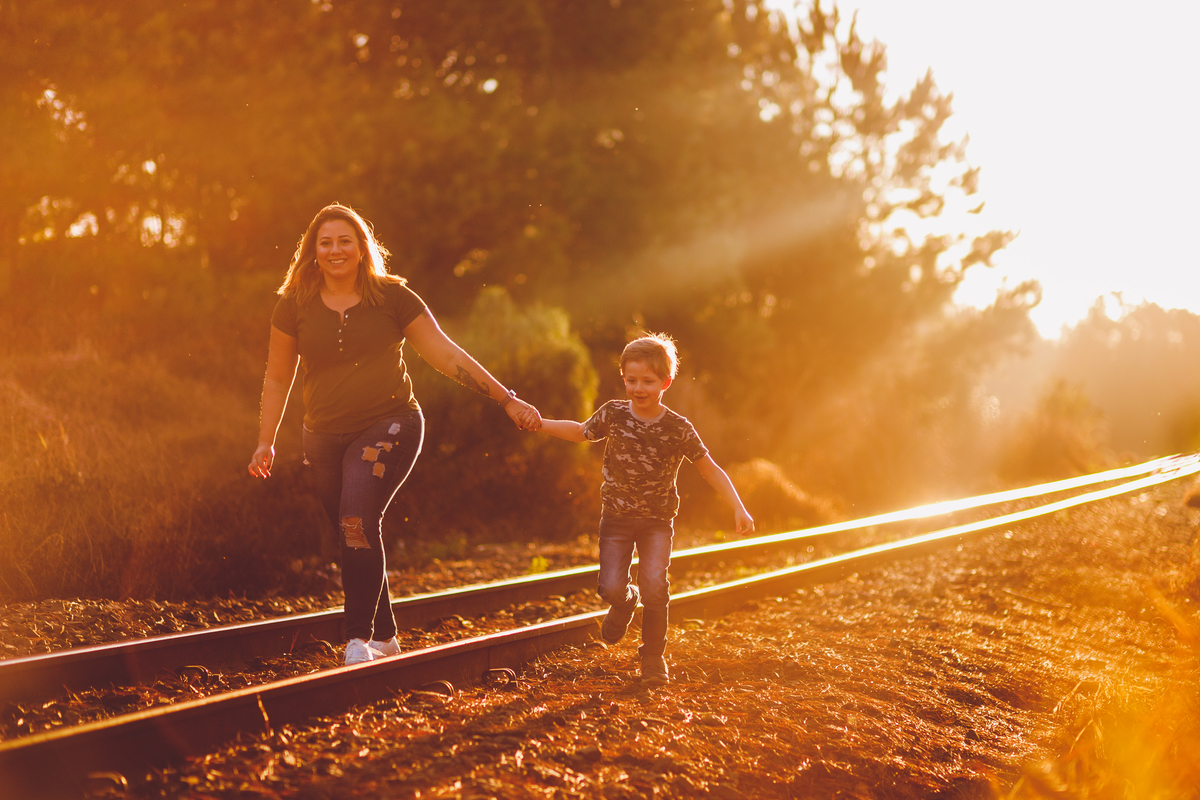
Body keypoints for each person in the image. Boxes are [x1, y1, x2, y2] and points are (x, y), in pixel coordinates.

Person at [248, 203, 542, 666]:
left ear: (362, 248)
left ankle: (357, 639)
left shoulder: (393, 297)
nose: (335, 249)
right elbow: (276, 377)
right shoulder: (294, 305)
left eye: (345, 240)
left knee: (355, 522)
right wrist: (266, 439)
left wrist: (505, 398)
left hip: (391, 423)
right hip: (321, 435)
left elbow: (445, 354)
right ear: (313, 251)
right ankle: (385, 636)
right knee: (353, 531)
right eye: (325, 242)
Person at [527, 333, 753, 685]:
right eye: (631, 380)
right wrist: (542, 423)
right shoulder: (614, 414)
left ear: (665, 382)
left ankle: (652, 658)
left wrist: (738, 506)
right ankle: (624, 601)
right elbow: (580, 431)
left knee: (656, 587)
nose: (638, 388)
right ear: (623, 378)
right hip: (616, 518)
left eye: (647, 381)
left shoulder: (678, 428)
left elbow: (709, 468)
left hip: (657, 523)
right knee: (611, 588)